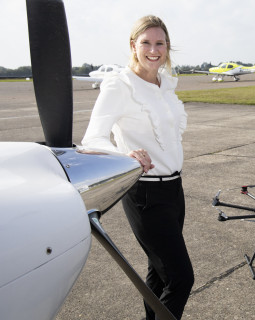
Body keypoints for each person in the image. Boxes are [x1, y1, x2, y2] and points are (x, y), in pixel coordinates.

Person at [82, 15, 194, 319]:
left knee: (159, 275)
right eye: (146, 42)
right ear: (134, 45)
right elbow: (92, 138)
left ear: (168, 47)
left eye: (160, 43)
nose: (153, 49)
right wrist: (126, 155)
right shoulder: (120, 84)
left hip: (174, 190)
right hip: (145, 194)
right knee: (181, 278)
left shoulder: (165, 84)